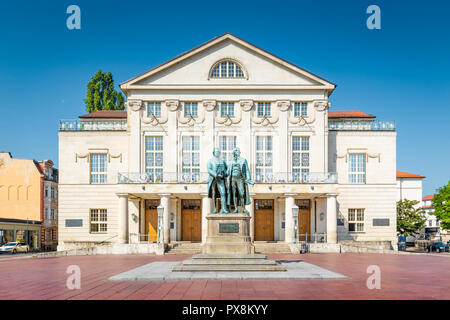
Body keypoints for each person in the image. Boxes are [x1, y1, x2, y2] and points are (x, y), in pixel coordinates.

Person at [227, 147, 254, 214]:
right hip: (232, 179)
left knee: (242, 193)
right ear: (233, 153)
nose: (237, 152)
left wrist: (249, 179)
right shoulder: (230, 161)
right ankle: (236, 209)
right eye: (235, 151)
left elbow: (247, 170)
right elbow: (228, 172)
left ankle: (243, 208)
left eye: (238, 151)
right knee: (234, 194)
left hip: (240, 178)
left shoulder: (243, 160)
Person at [207, 148, 229, 213]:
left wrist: (225, 173)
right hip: (213, 179)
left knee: (223, 193)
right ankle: (215, 209)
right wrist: (215, 174)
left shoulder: (223, 161)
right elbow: (209, 169)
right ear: (213, 153)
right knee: (214, 194)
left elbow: (226, 170)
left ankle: (223, 208)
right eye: (216, 152)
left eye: (219, 152)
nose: (218, 153)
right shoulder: (210, 161)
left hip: (221, 179)